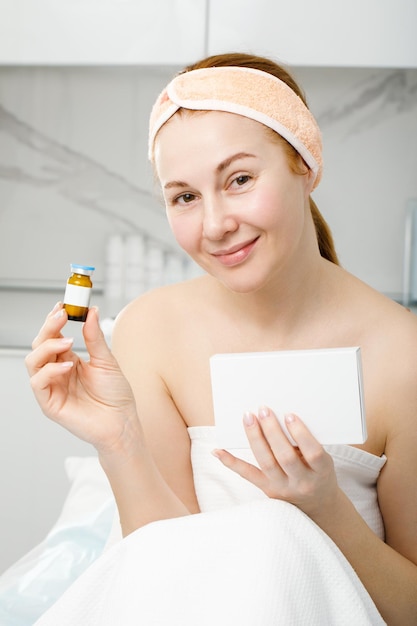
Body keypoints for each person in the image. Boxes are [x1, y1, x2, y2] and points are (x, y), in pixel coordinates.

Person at [26, 53, 417, 625]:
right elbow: (163, 572)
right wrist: (119, 440)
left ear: (306, 165)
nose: (214, 225)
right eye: (184, 196)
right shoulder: (151, 331)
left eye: (239, 180)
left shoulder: (403, 355)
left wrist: (326, 510)